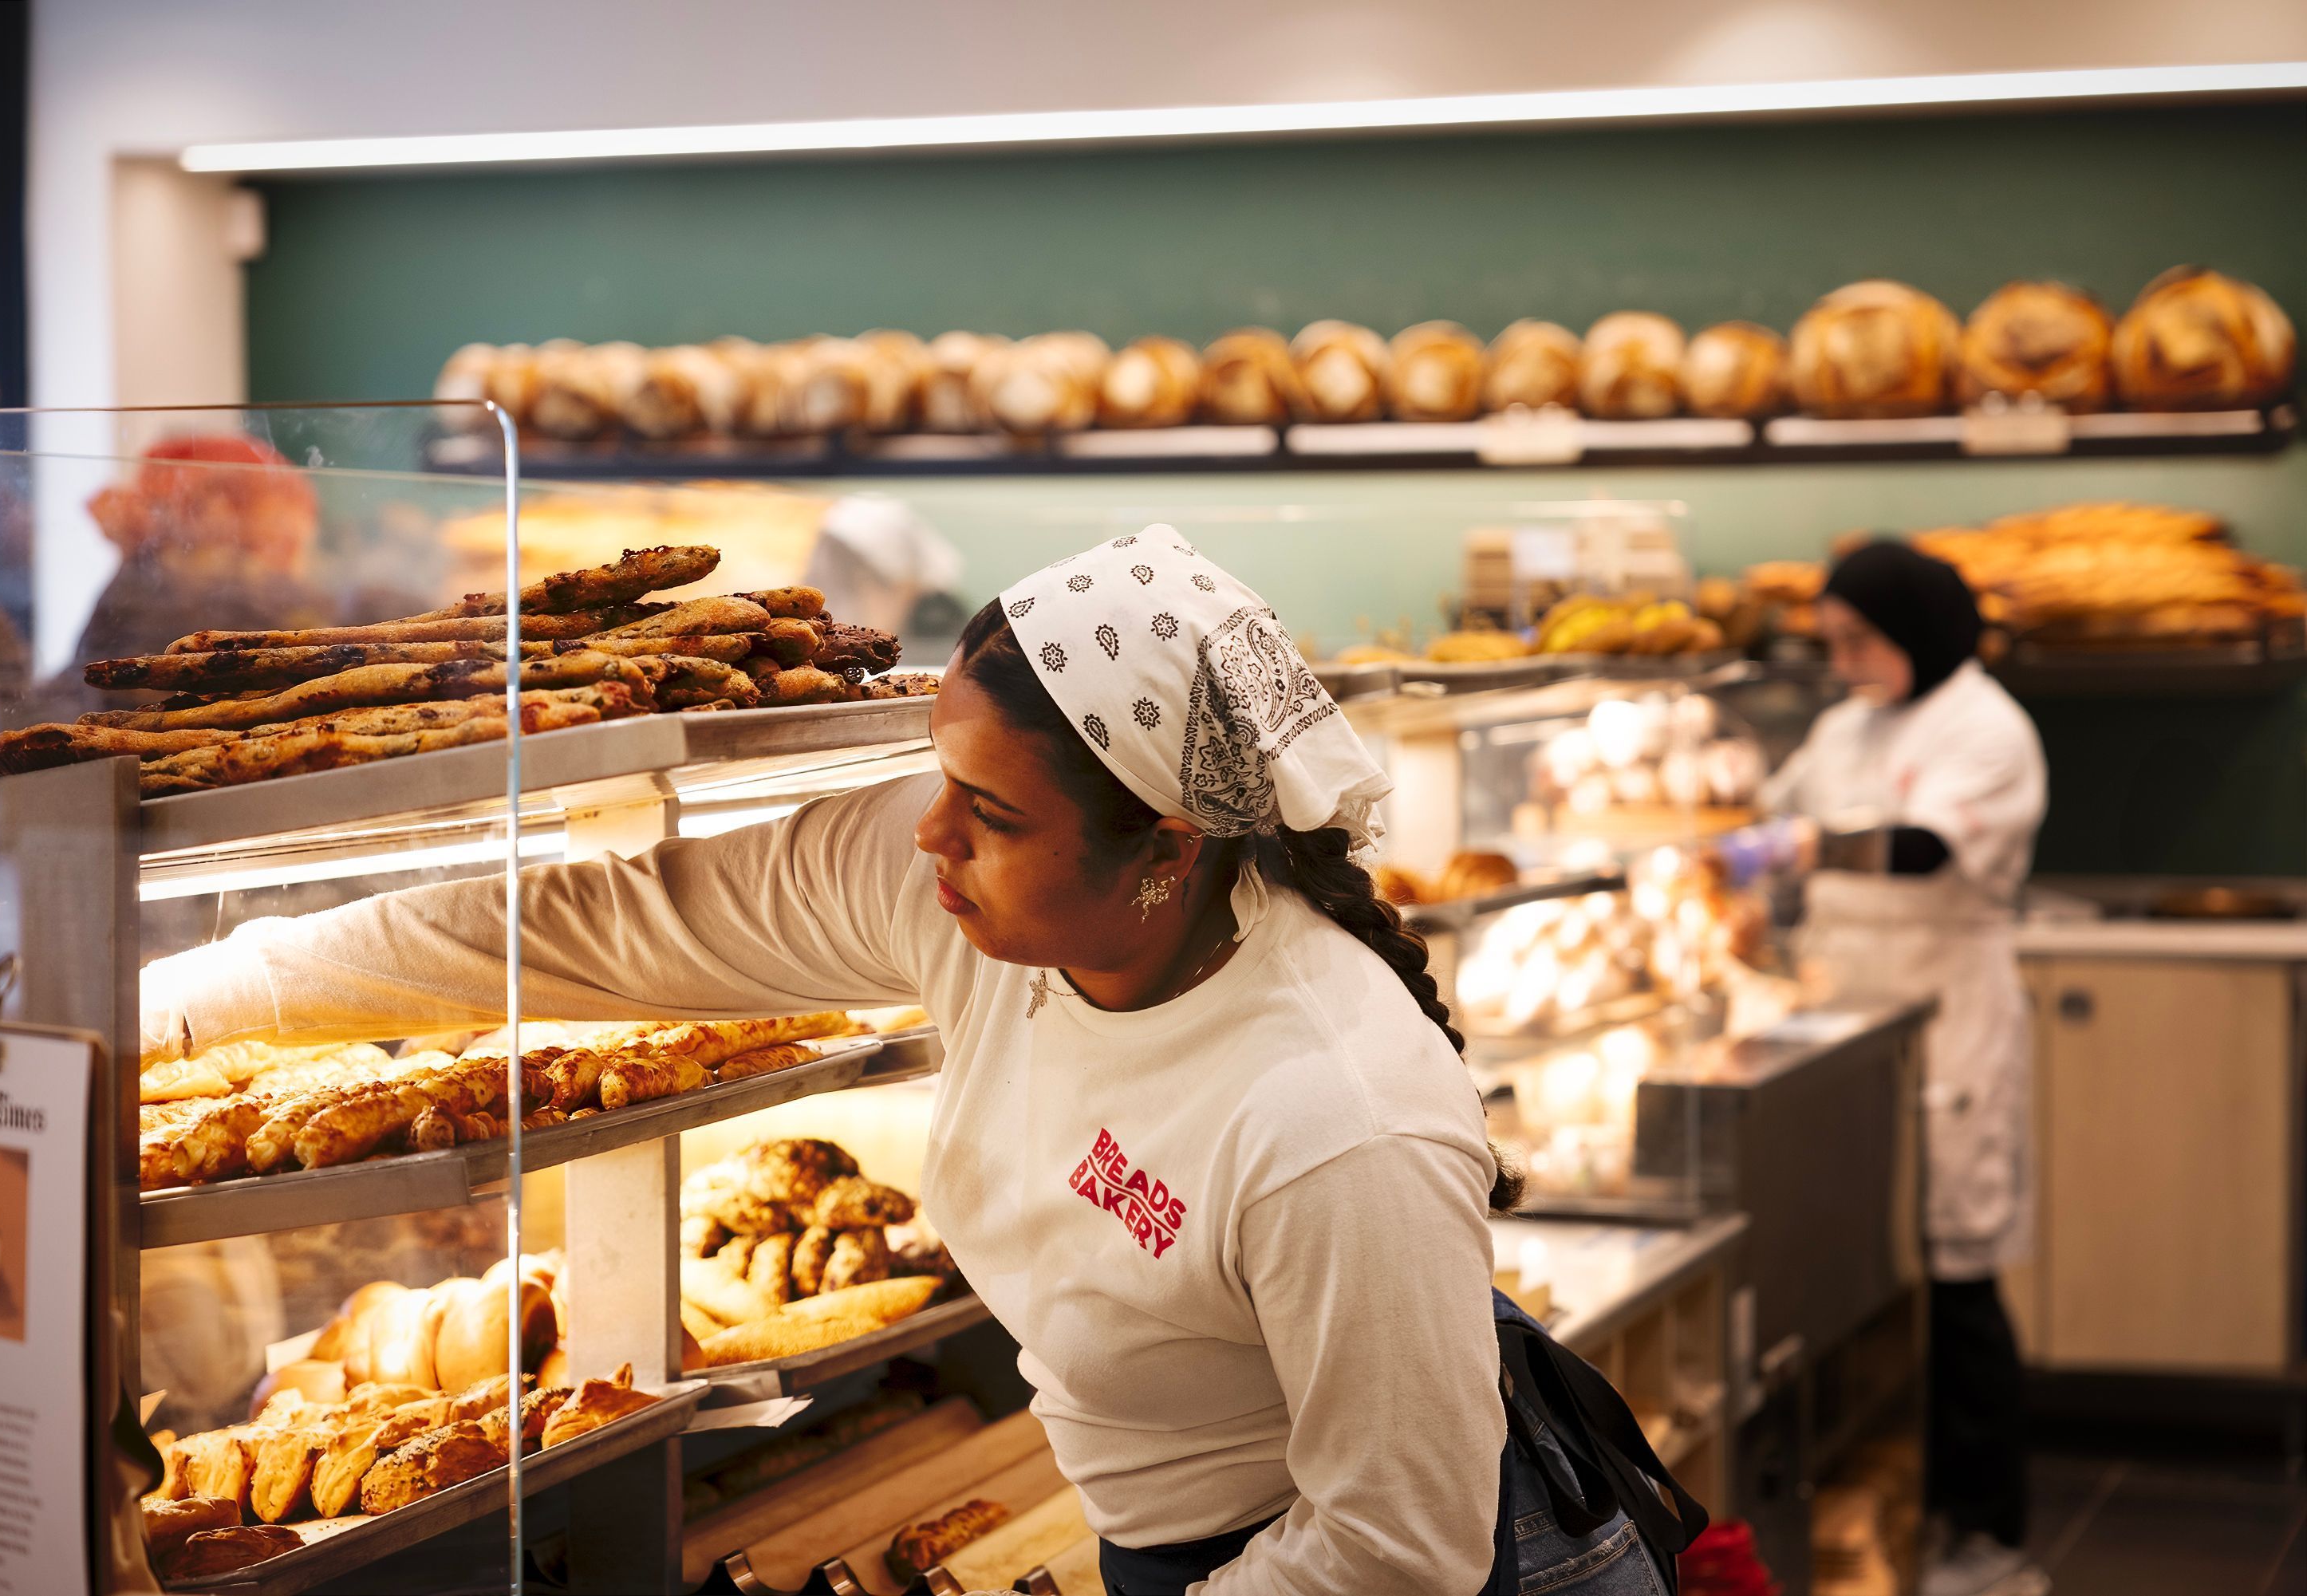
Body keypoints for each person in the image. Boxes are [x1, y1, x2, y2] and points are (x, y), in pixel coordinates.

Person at [141, 526, 1683, 1595]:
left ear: (1167, 845)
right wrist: (204, 994)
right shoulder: (959, 889)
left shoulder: (1332, 1113)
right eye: (939, 778)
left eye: (992, 815)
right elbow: (604, 920)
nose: (929, 838)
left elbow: (1400, 1542)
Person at [1761, 540, 2049, 1596]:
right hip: (1840, 1027)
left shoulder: (1988, 726)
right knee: (1860, 1286)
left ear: (1916, 629)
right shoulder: (1847, 727)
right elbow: (1771, 814)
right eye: (1829, 643)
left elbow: (1926, 848)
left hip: (1950, 1032)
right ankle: (1886, 1514)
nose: (1841, 663)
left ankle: (1989, 1533)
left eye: (1857, 640)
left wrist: (1801, 850)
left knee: (1958, 1286)